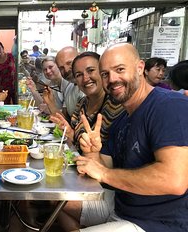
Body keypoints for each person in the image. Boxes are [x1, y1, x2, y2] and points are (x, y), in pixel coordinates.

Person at [74, 43, 188, 232]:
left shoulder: (169, 106)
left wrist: (104, 174)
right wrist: (93, 153)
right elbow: (106, 165)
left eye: (120, 69)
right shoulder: (122, 119)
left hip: (157, 223)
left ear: (140, 67)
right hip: (121, 207)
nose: (112, 79)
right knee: (53, 204)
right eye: (105, 74)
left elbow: (174, 180)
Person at [48, 52, 124, 231]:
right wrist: (69, 131)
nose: (86, 78)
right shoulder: (82, 103)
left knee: (52, 195)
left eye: (91, 70)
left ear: (103, 73)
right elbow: (78, 139)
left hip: (107, 191)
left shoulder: (117, 106)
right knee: (51, 190)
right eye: (79, 75)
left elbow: (111, 156)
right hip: (84, 176)